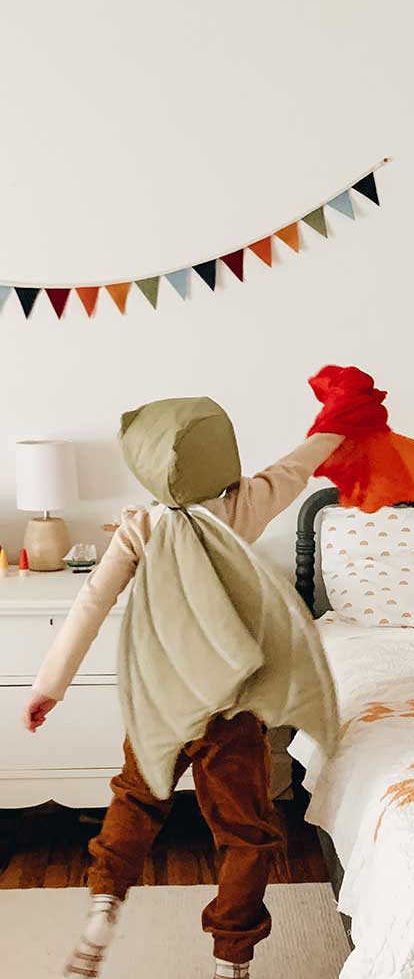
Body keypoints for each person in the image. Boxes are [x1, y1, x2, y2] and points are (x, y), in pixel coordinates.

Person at [23, 397, 343, 979]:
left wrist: (51, 685)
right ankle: (231, 959)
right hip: (230, 709)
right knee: (245, 834)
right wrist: (337, 430)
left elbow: (90, 604)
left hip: (159, 704)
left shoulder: (138, 527)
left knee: (135, 801)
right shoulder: (240, 507)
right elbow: (294, 468)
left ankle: (104, 904)